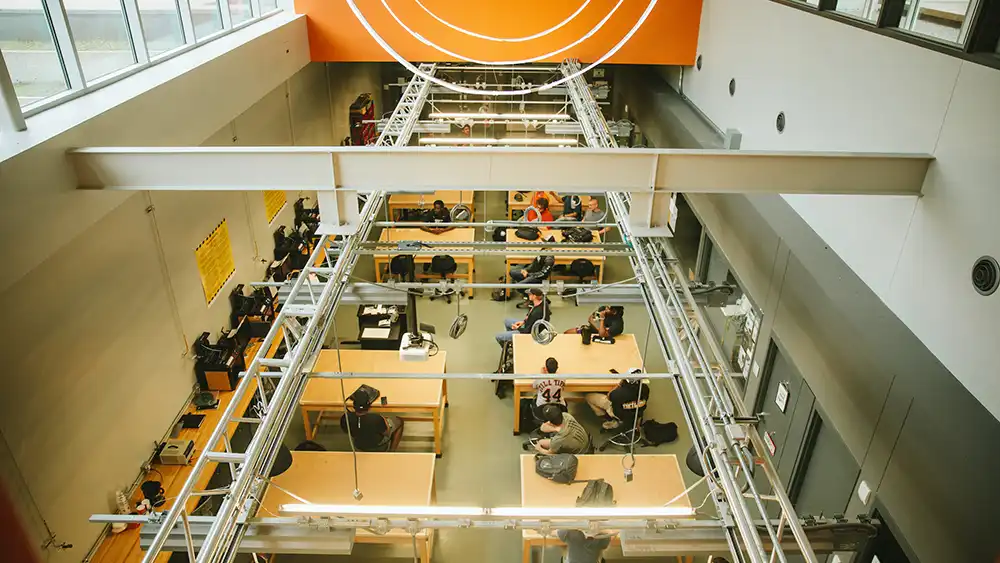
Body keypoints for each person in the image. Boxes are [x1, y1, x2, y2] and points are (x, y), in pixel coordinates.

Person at [339, 393, 404, 451]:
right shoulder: (376, 418)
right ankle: (392, 451)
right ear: (369, 407)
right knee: (399, 421)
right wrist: (383, 420)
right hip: (378, 444)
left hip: (359, 445)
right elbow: (387, 432)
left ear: (354, 406)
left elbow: (346, 430)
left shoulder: (345, 418)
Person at [528, 404, 592, 454]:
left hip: (580, 453)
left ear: (550, 423)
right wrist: (556, 429)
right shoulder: (566, 416)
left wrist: (540, 449)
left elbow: (550, 453)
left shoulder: (558, 440)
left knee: (541, 442)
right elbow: (543, 428)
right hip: (584, 442)